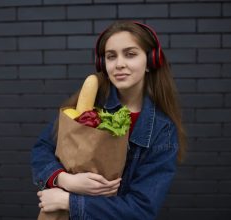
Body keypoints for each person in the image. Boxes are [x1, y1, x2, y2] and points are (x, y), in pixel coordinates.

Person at [31, 20, 186, 220]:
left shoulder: (162, 130)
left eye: (130, 54)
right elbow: (42, 148)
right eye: (111, 56)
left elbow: (142, 210)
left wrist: (68, 201)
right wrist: (65, 180)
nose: (119, 64)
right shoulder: (88, 103)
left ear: (150, 61)